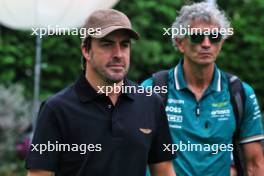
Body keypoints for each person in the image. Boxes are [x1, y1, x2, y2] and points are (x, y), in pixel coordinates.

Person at [26, 9, 176, 176]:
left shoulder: (151, 103)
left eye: (124, 45)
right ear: (86, 50)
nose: (118, 54)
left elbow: (165, 171)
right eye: (107, 44)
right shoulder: (57, 109)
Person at [142, 2, 264, 176]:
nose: (206, 44)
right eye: (197, 36)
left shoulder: (240, 93)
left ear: (221, 43)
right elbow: (130, 154)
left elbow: (254, 164)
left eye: (214, 37)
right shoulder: (152, 89)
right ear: (180, 42)